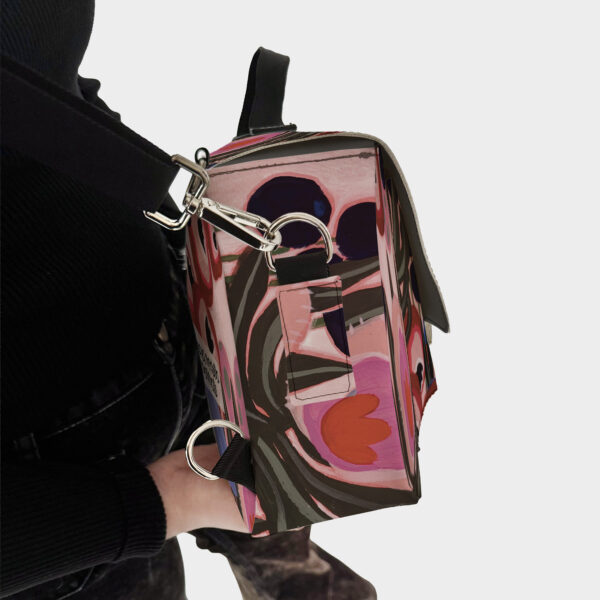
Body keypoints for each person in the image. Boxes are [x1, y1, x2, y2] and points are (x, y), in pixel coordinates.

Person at [0, 2, 377, 598]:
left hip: (185, 330)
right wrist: (165, 501)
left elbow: (47, 72)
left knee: (274, 510)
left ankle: (278, 559)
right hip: (59, 484)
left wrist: (205, 247)